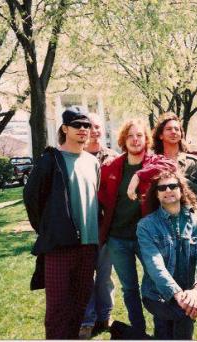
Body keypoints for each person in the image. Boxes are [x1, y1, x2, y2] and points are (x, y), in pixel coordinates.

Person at [23, 106, 100, 339]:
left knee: (78, 306)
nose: (83, 130)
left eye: (87, 125)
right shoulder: (50, 160)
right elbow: (32, 198)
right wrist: (48, 229)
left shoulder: (93, 162)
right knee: (57, 309)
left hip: (89, 246)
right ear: (65, 128)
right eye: (77, 125)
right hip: (59, 247)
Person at [98, 118, 176, 337]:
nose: (135, 140)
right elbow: (103, 197)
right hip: (118, 238)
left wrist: (139, 175)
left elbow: (171, 166)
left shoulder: (154, 162)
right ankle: (138, 332)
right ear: (123, 139)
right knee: (129, 288)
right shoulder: (112, 166)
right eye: (130, 135)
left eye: (139, 135)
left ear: (146, 139)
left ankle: (162, 330)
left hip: (147, 239)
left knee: (155, 283)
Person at [137, 171, 197, 340]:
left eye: (173, 186)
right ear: (156, 195)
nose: (168, 190)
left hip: (188, 293)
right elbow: (154, 265)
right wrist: (179, 295)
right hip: (156, 294)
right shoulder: (146, 226)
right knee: (183, 315)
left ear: (181, 190)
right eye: (162, 188)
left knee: (166, 331)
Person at [79, 113, 119, 339]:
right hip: (84, 226)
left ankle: (105, 315)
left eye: (97, 127)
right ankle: (88, 318)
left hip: (107, 226)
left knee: (104, 275)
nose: (94, 131)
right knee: (86, 275)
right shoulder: (78, 156)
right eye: (89, 127)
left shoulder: (112, 158)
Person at [152, 112, 197, 206]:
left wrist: (180, 179)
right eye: (169, 129)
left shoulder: (193, 163)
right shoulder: (153, 162)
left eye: (177, 129)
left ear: (181, 134)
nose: (173, 132)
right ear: (160, 135)